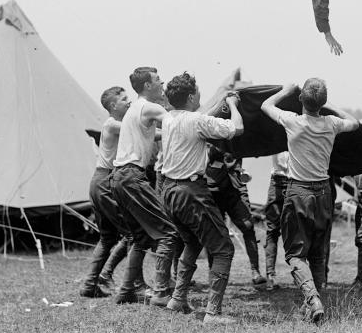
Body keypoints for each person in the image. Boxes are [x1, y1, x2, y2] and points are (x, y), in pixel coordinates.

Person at [261, 80, 359, 323]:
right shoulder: (332, 123)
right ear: (322, 103)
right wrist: (330, 106)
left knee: (295, 254)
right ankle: (315, 303)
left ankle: (313, 299)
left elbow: (265, 105)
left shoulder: (293, 121)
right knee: (317, 253)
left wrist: (286, 90)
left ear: (300, 100)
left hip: (298, 191)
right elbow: (355, 123)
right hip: (324, 193)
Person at [157, 72, 244, 325]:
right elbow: (236, 128)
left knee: (192, 243)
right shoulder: (196, 120)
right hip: (191, 192)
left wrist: (222, 103)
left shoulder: (169, 118)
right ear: (192, 95)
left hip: (169, 191)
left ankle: (177, 299)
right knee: (224, 249)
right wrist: (234, 106)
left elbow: (202, 115)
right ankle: (213, 314)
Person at [109, 67, 179, 306]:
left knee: (140, 238)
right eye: (158, 80)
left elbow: (157, 134)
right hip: (132, 176)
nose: (162, 84)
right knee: (168, 233)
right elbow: (180, 123)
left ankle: (127, 290)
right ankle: (161, 292)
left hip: (119, 177)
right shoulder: (150, 107)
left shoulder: (135, 110)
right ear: (148, 86)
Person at [79, 86, 131, 298]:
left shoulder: (117, 124)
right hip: (105, 181)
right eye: (124, 99)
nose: (129, 102)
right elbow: (138, 129)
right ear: (113, 106)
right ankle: (109, 276)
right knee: (133, 233)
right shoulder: (112, 124)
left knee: (108, 238)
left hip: (100, 181)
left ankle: (89, 285)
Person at [205, 145, 268, 288]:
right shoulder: (208, 129)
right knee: (213, 232)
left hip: (235, 187)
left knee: (248, 226)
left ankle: (255, 271)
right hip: (213, 188)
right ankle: (213, 272)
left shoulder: (236, 133)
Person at [263, 151, 289, 291]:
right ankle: (270, 275)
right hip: (277, 180)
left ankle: (302, 274)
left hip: (295, 182)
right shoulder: (276, 132)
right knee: (272, 230)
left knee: (298, 230)